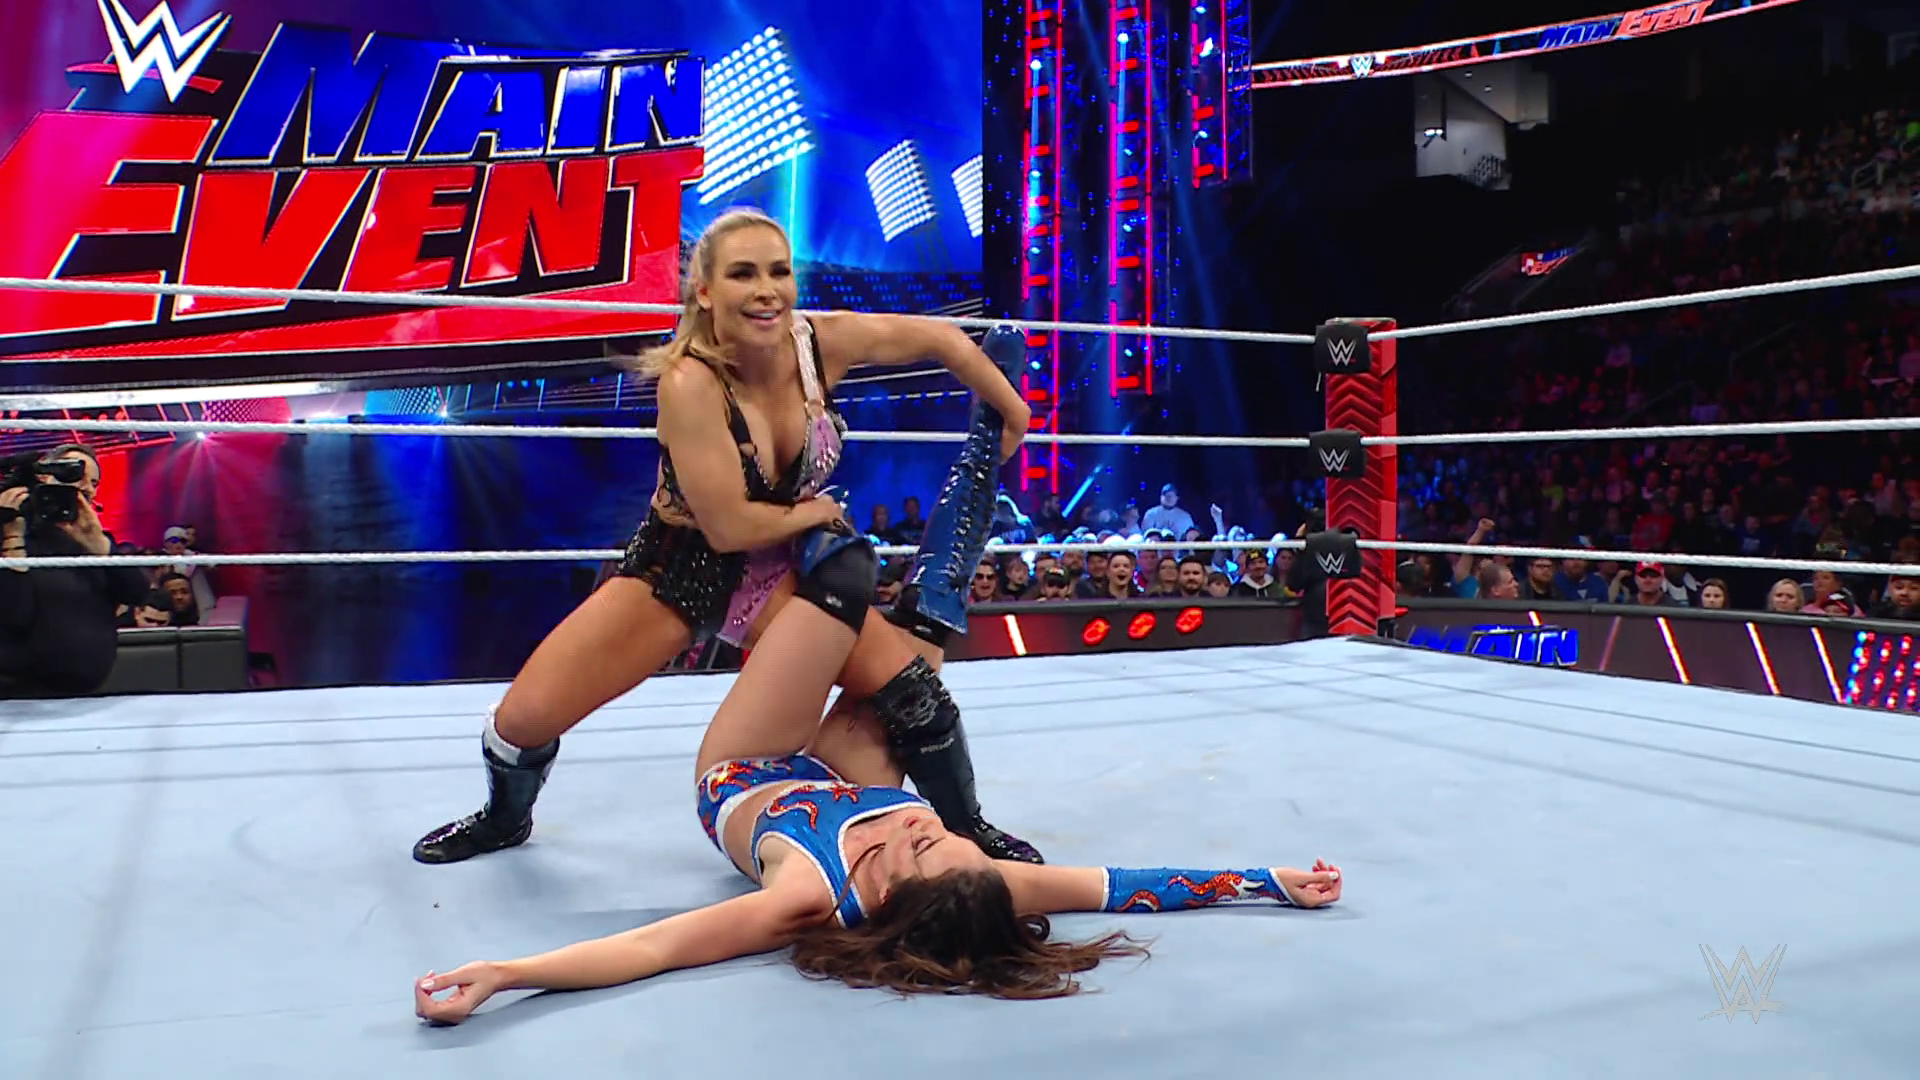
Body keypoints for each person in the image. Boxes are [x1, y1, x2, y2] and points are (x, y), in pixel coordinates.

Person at [413, 207, 1042, 866]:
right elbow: (729, 525)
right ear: (705, 290)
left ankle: (970, 831)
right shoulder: (690, 383)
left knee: (912, 692)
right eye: (743, 274)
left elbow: (945, 341)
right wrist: (815, 513)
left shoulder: (822, 343)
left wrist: (1012, 410)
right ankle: (504, 819)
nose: (766, 290)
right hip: (681, 570)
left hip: (781, 571)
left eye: (778, 272)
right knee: (521, 722)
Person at [413, 661, 1344, 1023]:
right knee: (909, 671)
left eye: (923, 843)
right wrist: (1266, 879)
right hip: (838, 774)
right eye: (944, 833)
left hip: (745, 771)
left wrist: (504, 974)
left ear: (893, 893)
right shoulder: (976, 882)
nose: (925, 819)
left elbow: (653, 948)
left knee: (834, 601)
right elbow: (1128, 883)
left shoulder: (805, 898)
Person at [1, 444, 151, 695]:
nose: (87, 488)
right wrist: (12, 539)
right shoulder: (13, 534)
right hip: (19, 696)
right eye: (75, 474)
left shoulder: (94, 541)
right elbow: (13, 617)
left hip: (85, 695)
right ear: (44, 477)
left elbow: (138, 593)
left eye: (94, 482)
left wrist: (101, 547)